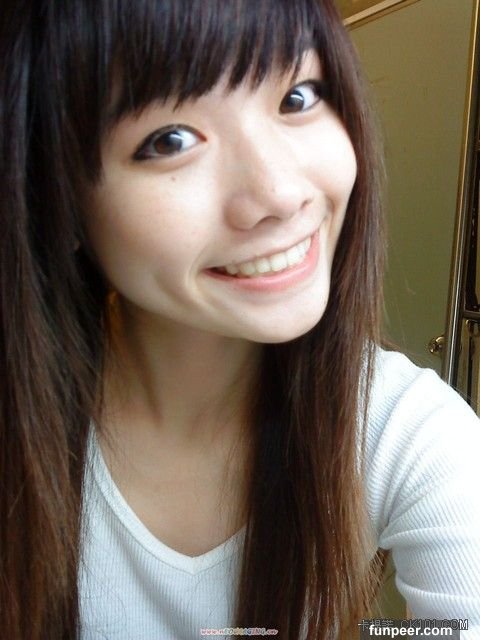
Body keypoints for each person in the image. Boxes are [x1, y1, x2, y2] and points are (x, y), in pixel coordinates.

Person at [1, 1, 479, 638]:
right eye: (170, 140)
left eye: (298, 97)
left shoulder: (410, 433)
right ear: (56, 197)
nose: (280, 193)